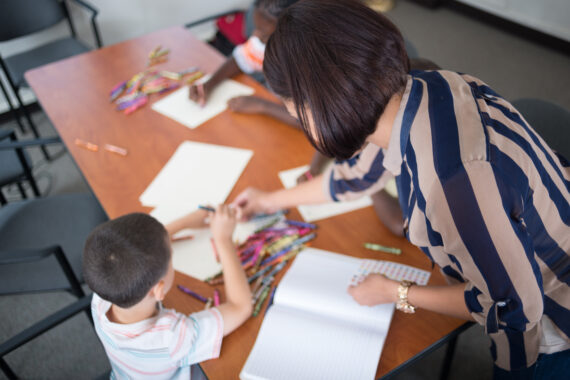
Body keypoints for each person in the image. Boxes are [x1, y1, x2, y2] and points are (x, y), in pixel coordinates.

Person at [231, 0, 570, 378]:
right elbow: (354, 178)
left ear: (319, 103)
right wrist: (268, 200)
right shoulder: (419, 90)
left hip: (554, 324)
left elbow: (514, 309)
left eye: (291, 104)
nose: (293, 114)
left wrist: (398, 293)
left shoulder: (452, 184)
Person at [83, 206, 251, 379]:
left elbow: (128, 252)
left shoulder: (101, 299)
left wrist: (185, 222)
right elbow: (241, 307)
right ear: (159, 290)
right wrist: (223, 239)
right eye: (171, 255)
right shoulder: (172, 338)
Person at [189, 0, 299, 128]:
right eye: (256, 28)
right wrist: (209, 84)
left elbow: (313, 123)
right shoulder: (263, 43)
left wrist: (261, 105)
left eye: (263, 33)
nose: (255, 35)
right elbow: (240, 59)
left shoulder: (304, 67)